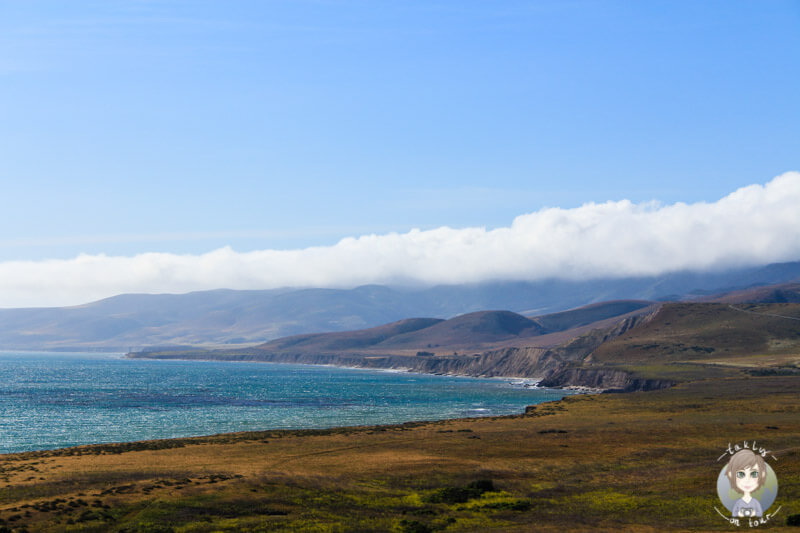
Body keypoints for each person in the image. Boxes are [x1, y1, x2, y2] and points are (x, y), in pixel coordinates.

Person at [725, 449, 767, 517]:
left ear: (762, 474)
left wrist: (754, 513)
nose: (747, 480)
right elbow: (734, 514)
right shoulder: (738, 503)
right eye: (741, 474)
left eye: (754, 474)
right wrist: (739, 514)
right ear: (731, 475)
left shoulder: (755, 502)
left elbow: (760, 513)